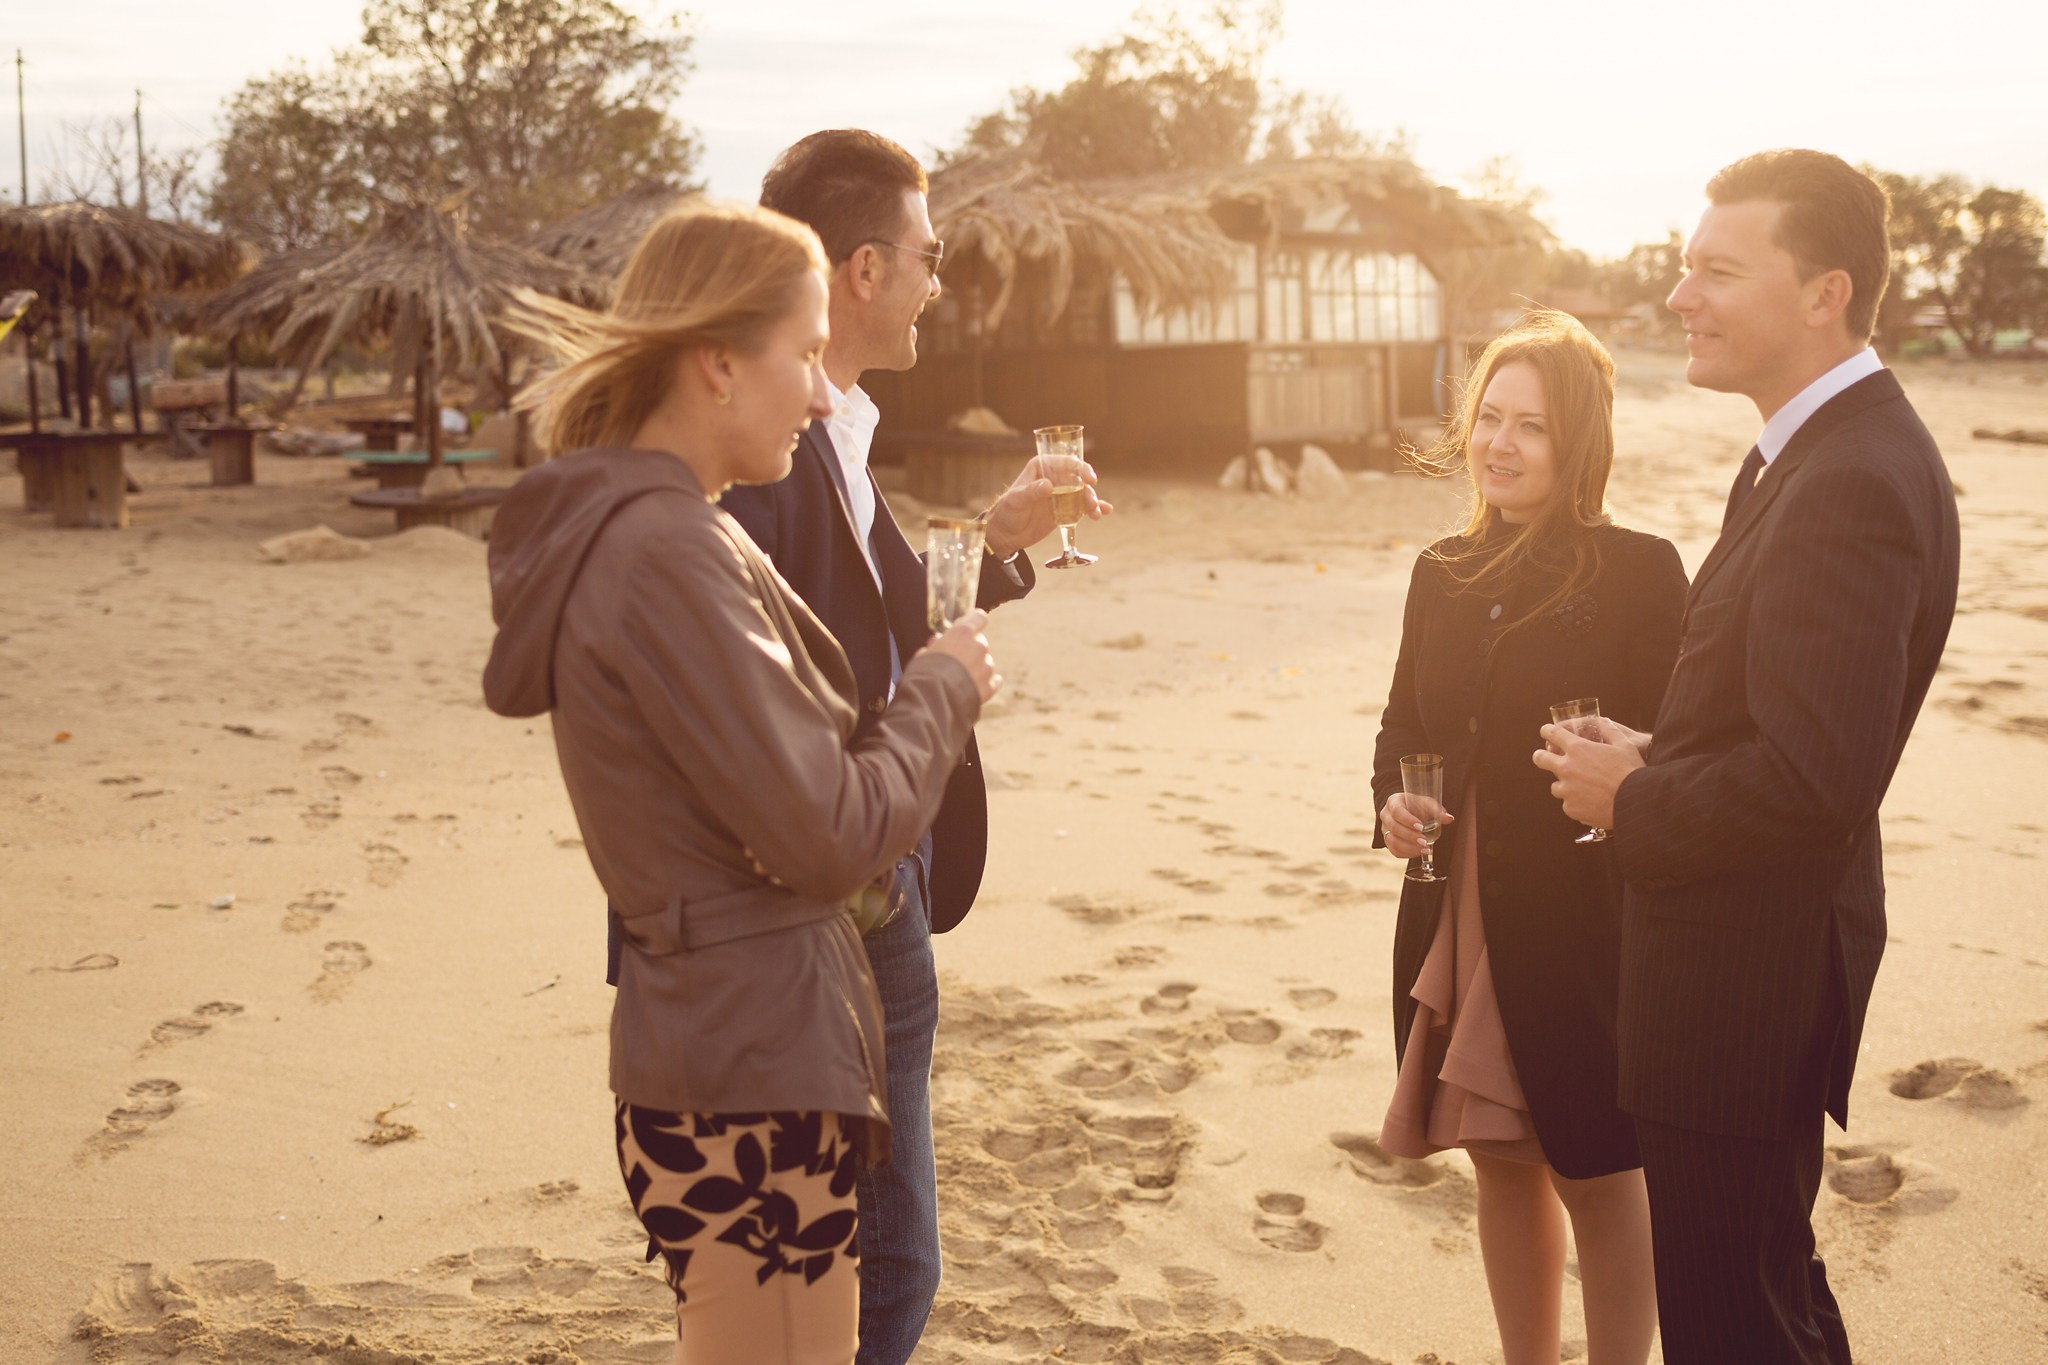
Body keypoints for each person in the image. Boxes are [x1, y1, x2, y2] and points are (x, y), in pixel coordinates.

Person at [481, 201, 1001, 1365]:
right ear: (717, 363)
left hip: (728, 1044)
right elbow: (825, 834)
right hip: (746, 1066)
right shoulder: (665, 551)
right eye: (805, 355)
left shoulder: (662, 534)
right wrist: (940, 689)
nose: (821, 397)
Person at [1535, 151, 1961, 1364]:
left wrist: (1635, 799)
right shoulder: (1806, 450)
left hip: (1741, 989)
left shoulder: (1847, 478)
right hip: (1742, 971)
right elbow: (1793, 725)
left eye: (1717, 272)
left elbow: (1815, 783)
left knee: (1734, 1327)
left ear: (1825, 294)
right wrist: (1660, 749)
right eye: (1684, 268)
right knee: (1764, 1300)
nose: (1680, 297)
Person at [708, 128, 1108, 1365]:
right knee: (876, 1266)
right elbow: (758, 698)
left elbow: (885, 608)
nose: (941, 282)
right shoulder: (760, 453)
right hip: (831, 899)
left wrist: (1001, 536)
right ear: (867, 269)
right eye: (930, 257)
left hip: (872, 875)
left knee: (838, 1265)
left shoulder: (835, 431)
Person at [1372, 310, 1686, 1365]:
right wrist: (1393, 806)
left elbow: (1683, 747)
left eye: (1532, 426)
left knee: (1596, 1166)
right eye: (1489, 418)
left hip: (1582, 925)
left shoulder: (1641, 571)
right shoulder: (1440, 568)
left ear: (1579, 441)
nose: (1499, 444)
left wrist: (1635, 760)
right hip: (1452, 913)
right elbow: (1403, 730)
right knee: (1499, 1161)